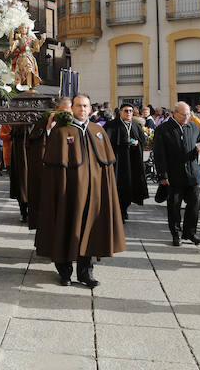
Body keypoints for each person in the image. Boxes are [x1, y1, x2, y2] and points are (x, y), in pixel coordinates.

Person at [35, 94, 125, 286]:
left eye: (85, 106)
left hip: (93, 195)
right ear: (72, 108)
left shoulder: (97, 131)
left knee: (89, 232)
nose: (82, 109)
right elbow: (52, 167)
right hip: (69, 194)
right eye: (78, 106)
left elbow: (106, 167)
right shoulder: (61, 131)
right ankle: (65, 272)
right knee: (65, 228)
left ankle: (86, 273)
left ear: (90, 109)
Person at [152, 101, 200, 247]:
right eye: (183, 114)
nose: (187, 117)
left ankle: (190, 232)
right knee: (174, 206)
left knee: (194, 205)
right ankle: (176, 234)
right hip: (174, 174)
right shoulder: (163, 129)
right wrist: (162, 175)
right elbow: (159, 154)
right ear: (174, 113)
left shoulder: (193, 126)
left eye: (189, 114)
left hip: (193, 173)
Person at [26, 97, 72, 230]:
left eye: (69, 111)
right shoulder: (46, 121)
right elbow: (36, 145)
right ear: (57, 109)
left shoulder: (74, 123)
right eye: (63, 111)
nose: (65, 115)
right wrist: (49, 129)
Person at [104, 103, 149, 222]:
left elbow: (142, 141)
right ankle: (118, 211)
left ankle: (124, 209)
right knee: (118, 186)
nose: (128, 113)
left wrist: (136, 143)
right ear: (120, 112)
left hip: (132, 161)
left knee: (130, 186)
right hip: (118, 161)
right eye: (126, 111)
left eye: (130, 111)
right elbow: (106, 142)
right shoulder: (111, 125)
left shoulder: (136, 125)